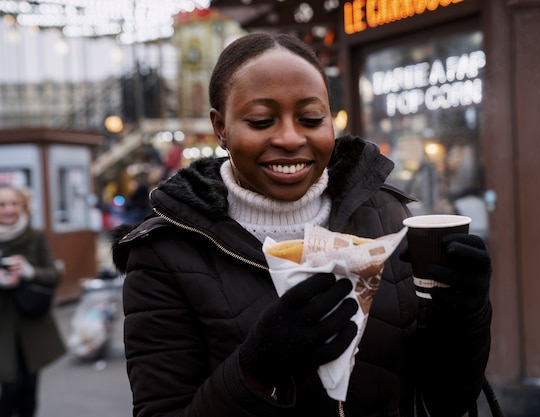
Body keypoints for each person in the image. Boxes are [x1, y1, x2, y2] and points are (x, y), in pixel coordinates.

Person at [111, 33, 492, 417]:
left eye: (311, 119)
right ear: (220, 127)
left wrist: (466, 315)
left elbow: (448, 398)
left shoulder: (388, 217)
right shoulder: (164, 254)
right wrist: (256, 368)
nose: (291, 138)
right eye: (261, 120)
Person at [0, 185, 66, 417]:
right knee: (10, 388)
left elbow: (54, 273)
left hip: (32, 325)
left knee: (29, 390)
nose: (9, 209)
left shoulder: (35, 235)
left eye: (14, 203)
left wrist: (30, 273)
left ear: (22, 206)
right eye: (2, 204)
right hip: (3, 327)